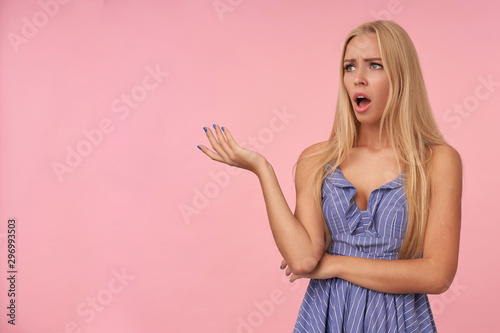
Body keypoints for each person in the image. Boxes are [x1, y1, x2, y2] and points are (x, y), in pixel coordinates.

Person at [197, 20, 462, 332]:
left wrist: (335, 264)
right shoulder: (316, 160)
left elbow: (437, 275)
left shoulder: (437, 161)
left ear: (402, 77)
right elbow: (303, 260)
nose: (358, 79)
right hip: (326, 317)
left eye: (374, 65)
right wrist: (262, 169)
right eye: (349, 67)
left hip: (399, 321)